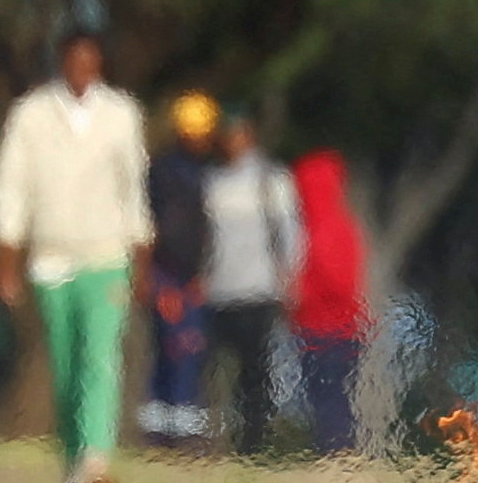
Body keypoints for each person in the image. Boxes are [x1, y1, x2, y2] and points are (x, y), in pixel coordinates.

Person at [0, 29, 151, 483]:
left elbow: (133, 188)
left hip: (107, 254)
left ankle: (96, 463)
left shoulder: (121, 115)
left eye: (90, 61)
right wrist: (6, 258)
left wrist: (141, 254)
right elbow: (11, 187)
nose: (83, 70)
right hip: (51, 257)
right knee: (66, 366)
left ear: (100, 65)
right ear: (61, 63)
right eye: (74, 61)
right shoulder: (32, 115)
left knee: (100, 359)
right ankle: (73, 465)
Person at [198, 110, 303, 453]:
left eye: (238, 134)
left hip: (259, 290)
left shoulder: (271, 181)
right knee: (212, 373)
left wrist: (289, 277)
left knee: (255, 373)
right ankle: (210, 442)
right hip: (219, 291)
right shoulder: (212, 181)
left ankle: (253, 443)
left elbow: (291, 234)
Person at [139, 92, 221, 449]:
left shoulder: (206, 173)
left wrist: (202, 274)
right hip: (169, 276)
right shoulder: (165, 173)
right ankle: (170, 433)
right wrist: (156, 280)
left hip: (192, 278)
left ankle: (176, 430)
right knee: (177, 349)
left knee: (186, 350)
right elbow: (155, 230)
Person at [288, 148, 368, 455]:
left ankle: (336, 453)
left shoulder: (317, 231)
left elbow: (337, 283)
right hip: (340, 328)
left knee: (328, 397)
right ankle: (338, 452)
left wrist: (300, 296)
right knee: (333, 397)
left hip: (324, 329)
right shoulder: (344, 227)